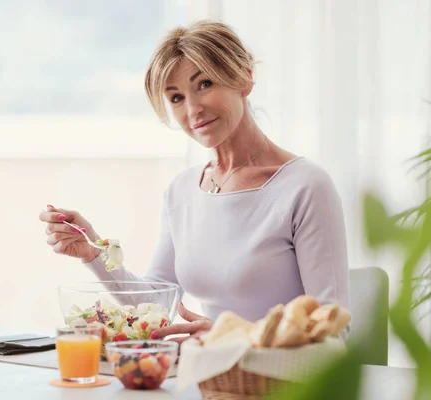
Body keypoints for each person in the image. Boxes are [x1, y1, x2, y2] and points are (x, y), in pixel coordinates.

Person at [39, 20, 350, 346]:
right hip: (217, 383)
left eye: (204, 84)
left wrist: (234, 338)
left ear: (244, 78)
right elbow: (156, 302)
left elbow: (334, 333)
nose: (193, 109)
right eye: (175, 98)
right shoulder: (183, 191)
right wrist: (93, 252)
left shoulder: (306, 187)